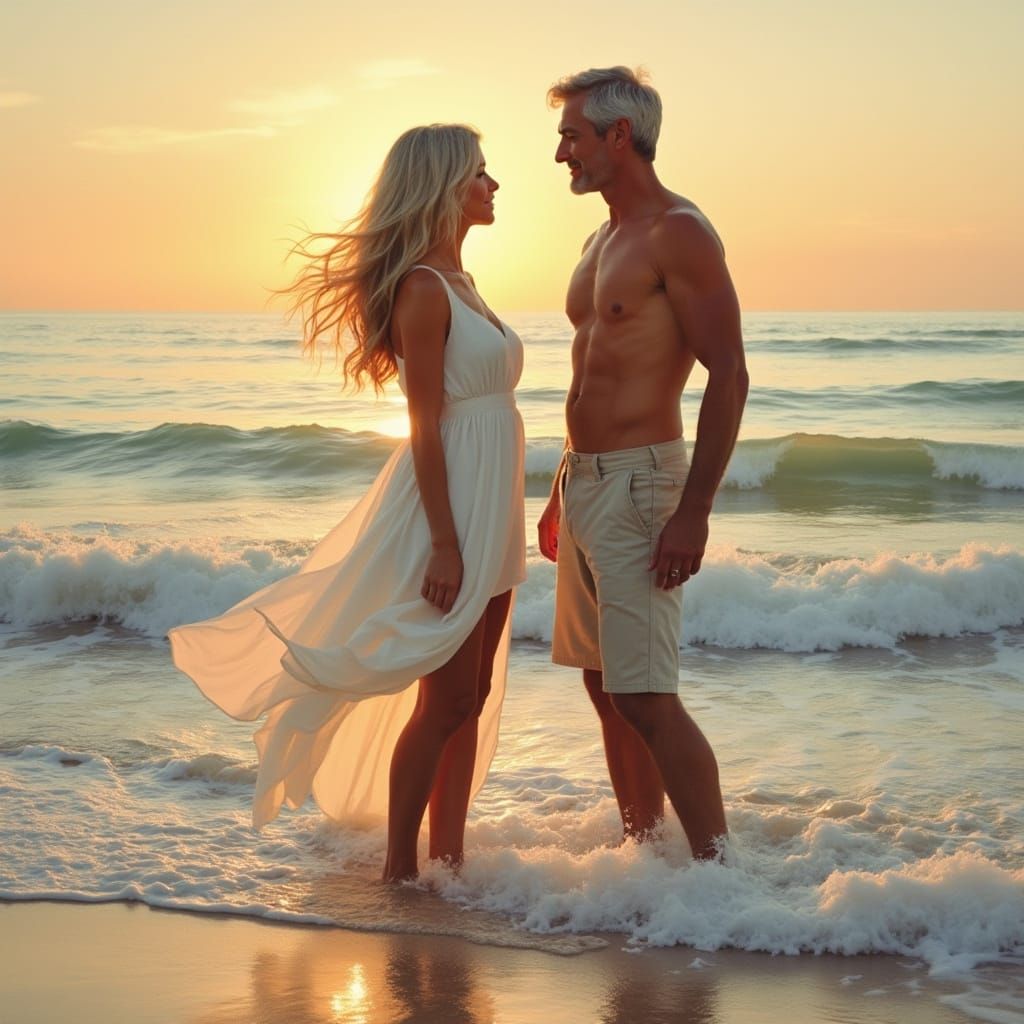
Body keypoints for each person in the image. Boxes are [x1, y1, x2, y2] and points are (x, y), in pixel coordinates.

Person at [169, 124, 526, 881]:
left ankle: (450, 860)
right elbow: (425, 423)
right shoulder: (425, 290)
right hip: (454, 508)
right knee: (446, 697)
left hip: (494, 507)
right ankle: (401, 870)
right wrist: (445, 541)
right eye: (480, 175)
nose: (493, 187)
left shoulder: (463, 283)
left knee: (474, 693)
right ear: (442, 187)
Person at [538, 67, 748, 861]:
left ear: (618, 136)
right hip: (588, 482)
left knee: (646, 693)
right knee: (604, 685)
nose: (562, 153)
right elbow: (589, 371)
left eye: (572, 136)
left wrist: (693, 510)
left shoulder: (678, 232)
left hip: (642, 483)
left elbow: (728, 372)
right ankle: (642, 852)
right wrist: (566, 483)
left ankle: (720, 880)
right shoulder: (600, 240)